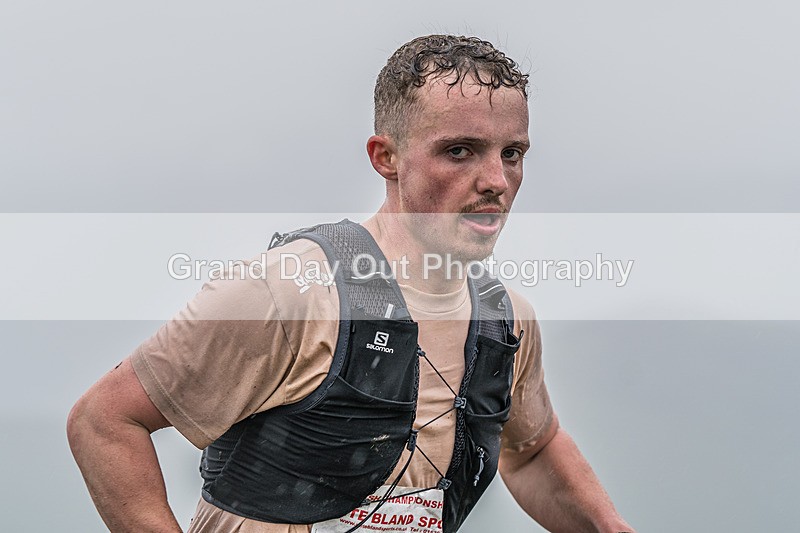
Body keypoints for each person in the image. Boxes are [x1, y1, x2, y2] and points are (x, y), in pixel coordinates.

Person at [67, 35, 635, 533]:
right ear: (386, 157)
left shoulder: (506, 322)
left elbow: (531, 451)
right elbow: (104, 421)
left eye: (512, 154)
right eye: (459, 151)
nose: (497, 181)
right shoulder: (289, 292)